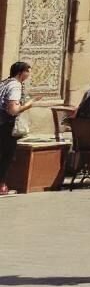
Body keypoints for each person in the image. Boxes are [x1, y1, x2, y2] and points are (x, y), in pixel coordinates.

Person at [0, 61, 34, 197]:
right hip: (6, 125)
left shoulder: (4, 83)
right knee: (7, 155)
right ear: (21, 72)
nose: (29, 74)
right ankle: (1, 185)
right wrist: (28, 105)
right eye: (28, 71)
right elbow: (13, 110)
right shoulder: (15, 86)